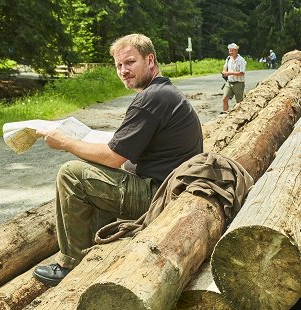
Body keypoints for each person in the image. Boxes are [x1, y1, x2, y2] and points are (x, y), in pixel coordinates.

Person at [32, 34, 203, 286]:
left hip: (159, 197)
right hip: (169, 190)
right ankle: (96, 247)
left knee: (71, 173)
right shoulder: (163, 92)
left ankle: (71, 265)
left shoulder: (151, 99)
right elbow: (121, 149)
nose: (124, 71)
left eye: (130, 62)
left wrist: (65, 142)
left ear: (150, 59)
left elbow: (113, 158)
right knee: (92, 167)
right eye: (119, 65)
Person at [221, 43, 247, 112]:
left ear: (236, 51)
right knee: (224, 99)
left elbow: (241, 73)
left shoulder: (241, 60)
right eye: (229, 50)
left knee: (239, 102)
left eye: (232, 50)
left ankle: (239, 115)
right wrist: (224, 72)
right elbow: (224, 67)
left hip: (238, 83)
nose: (230, 52)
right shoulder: (228, 58)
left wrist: (229, 73)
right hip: (229, 82)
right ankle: (224, 114)